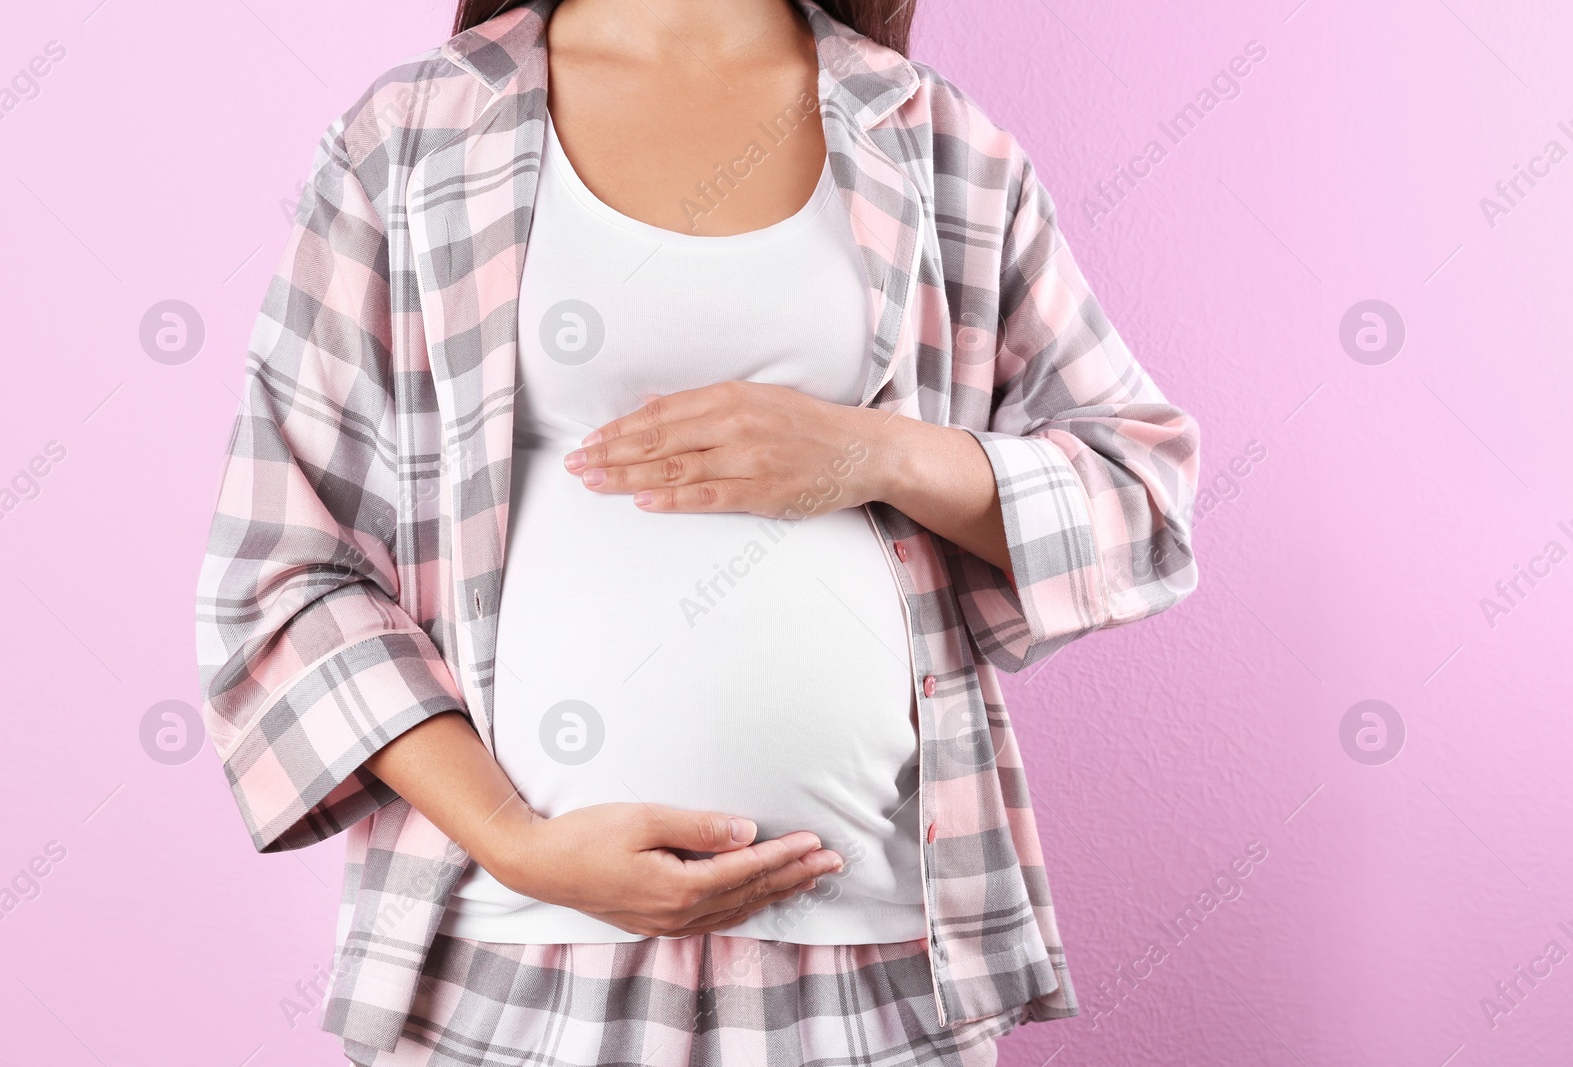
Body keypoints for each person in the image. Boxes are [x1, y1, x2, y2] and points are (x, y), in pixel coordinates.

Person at [194, 1, 1201, 1063]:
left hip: (873, 965)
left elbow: (1141, 495)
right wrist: (517, 843)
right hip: (511, 960)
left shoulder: (930, 139)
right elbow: (286, 569)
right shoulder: (415, 135)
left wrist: (876, 453)